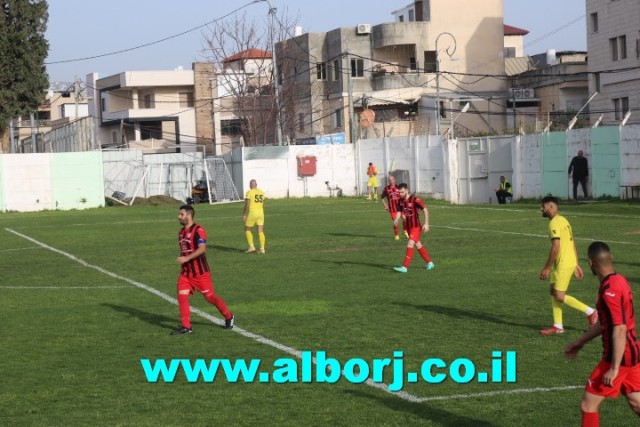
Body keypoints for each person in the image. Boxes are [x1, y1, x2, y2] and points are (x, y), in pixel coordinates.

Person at [565, 242, 640, 427]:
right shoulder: (619, 280)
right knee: (636, 402)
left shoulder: (609, 291)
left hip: (619, 356)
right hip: (633, 352)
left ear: (591, 263)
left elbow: (619, 328)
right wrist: (580, 341)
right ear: (611, 258)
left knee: (588, 405)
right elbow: (605, 323)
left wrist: (614, 368)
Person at [539, 196, 597, 335]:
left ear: (551, 207)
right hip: (565, 262)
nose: (541, 209)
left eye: (543, 206)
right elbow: (572, 242)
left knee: (559, 295)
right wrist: (576, 263)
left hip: (563, 264)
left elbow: (556, 247)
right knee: (553, 291)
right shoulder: (563, 220)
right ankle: (558, 326)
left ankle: (591, 312)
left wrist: (546, 268)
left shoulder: (554, 223)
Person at [173, 204, 234, 335]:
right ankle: (186, 326)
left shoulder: (198, 230)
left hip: (200, 273)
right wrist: (185, 261)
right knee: (182, 296)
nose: (179, 217)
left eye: (181, 214)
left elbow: (202, 249)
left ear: (189, 215)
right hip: (186, 273)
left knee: (210, 297)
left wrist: (186, 258)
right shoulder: (181, 232)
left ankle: (229, 316)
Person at [393, 183, 435, 273]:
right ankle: (430, 263)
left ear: (407, 191)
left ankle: (405, 267)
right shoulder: (400, 201)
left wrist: (426, 223)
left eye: (402, 192)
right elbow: (399, 211)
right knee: (418, 245)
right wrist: (396, 218)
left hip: (415, 227)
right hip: (408, 227)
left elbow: (425, 210)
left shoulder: (415, 200)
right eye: (399, 192)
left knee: (410, 244)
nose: (400, 194)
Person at [380, 175, 408, 240]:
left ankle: (405, 230)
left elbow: (404, 195)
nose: (391, 181)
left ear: (394, 180)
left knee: (405, 218)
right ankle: (396, 234)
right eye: (390, 180)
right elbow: (382, 198)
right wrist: (385, 205)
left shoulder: (398, 187)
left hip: (401, 207)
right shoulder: (386, 189)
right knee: (396, 221)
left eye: (392, 179)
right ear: (388, 181)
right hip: (392, 209)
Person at [243, 179, 266, 254]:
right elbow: (264, 205)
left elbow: (247, 204)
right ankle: (262, 249)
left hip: (253, 213)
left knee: (247, 229)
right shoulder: (261, 192)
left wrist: (245, 214)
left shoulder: (249, 192)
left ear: (250, 185)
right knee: (260, 231)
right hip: (261, 213)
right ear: (256, 185)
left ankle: (251, 247)